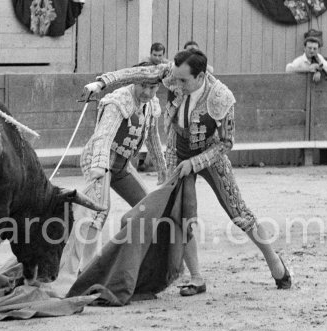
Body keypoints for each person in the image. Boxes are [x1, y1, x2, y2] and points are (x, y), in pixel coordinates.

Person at [83, 48, 292, 296]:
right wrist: (101, 83)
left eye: (183, 80)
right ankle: (196, 277)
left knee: (238, 211)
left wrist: (195, 163)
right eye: (175, 78)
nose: (175, 84)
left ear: (201, 76)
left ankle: (274, 262)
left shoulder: (222, 97)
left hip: (210, 154)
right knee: (181, 214)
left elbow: (226, 143)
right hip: (177, 151)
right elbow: (138, 73)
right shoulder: (173, 74)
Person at [54, 79, 168, 293]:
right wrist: (99, 167)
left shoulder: (152, 105)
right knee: (96, 212)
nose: (147, 92)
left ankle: (138, 268)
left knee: (149, 208)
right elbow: (103, 137)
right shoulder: (118, 102)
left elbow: (152, 139)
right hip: (99, 159)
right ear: (135, 82)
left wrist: (163, 170)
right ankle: (80, 272)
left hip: (122, 165)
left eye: (153, 88)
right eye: (143, 86)